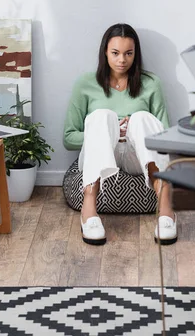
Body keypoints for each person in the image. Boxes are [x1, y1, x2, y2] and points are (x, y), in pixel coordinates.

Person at [63, 23, 176, 246]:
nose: (122, 60)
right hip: (103, 155)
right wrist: (107, 131)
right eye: (115, 53)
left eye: (128, 53)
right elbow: (68, 138)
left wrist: (132, 128)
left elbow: (164, 136)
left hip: (137, 156)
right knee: (102, 116)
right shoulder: (85, 84)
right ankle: (89, 210)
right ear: (105, 52)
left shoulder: (151, 83)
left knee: (142, 118)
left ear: (136, 54)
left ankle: (166, 211)